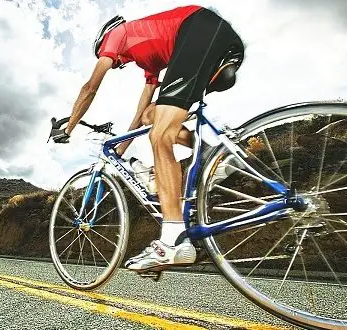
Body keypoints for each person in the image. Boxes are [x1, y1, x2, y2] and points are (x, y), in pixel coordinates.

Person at [51, 5, 245, 271]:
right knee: (152, 117)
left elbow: (90, 87)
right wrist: (122, 146)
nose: (117, 64)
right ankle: (213, 154)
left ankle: (174, 240)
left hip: (198, 29)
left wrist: (68, 128)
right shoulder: (148, 61)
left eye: (110, 58)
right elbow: (142, 111)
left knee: (159, 135)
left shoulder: (117, 34)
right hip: (221, 42)